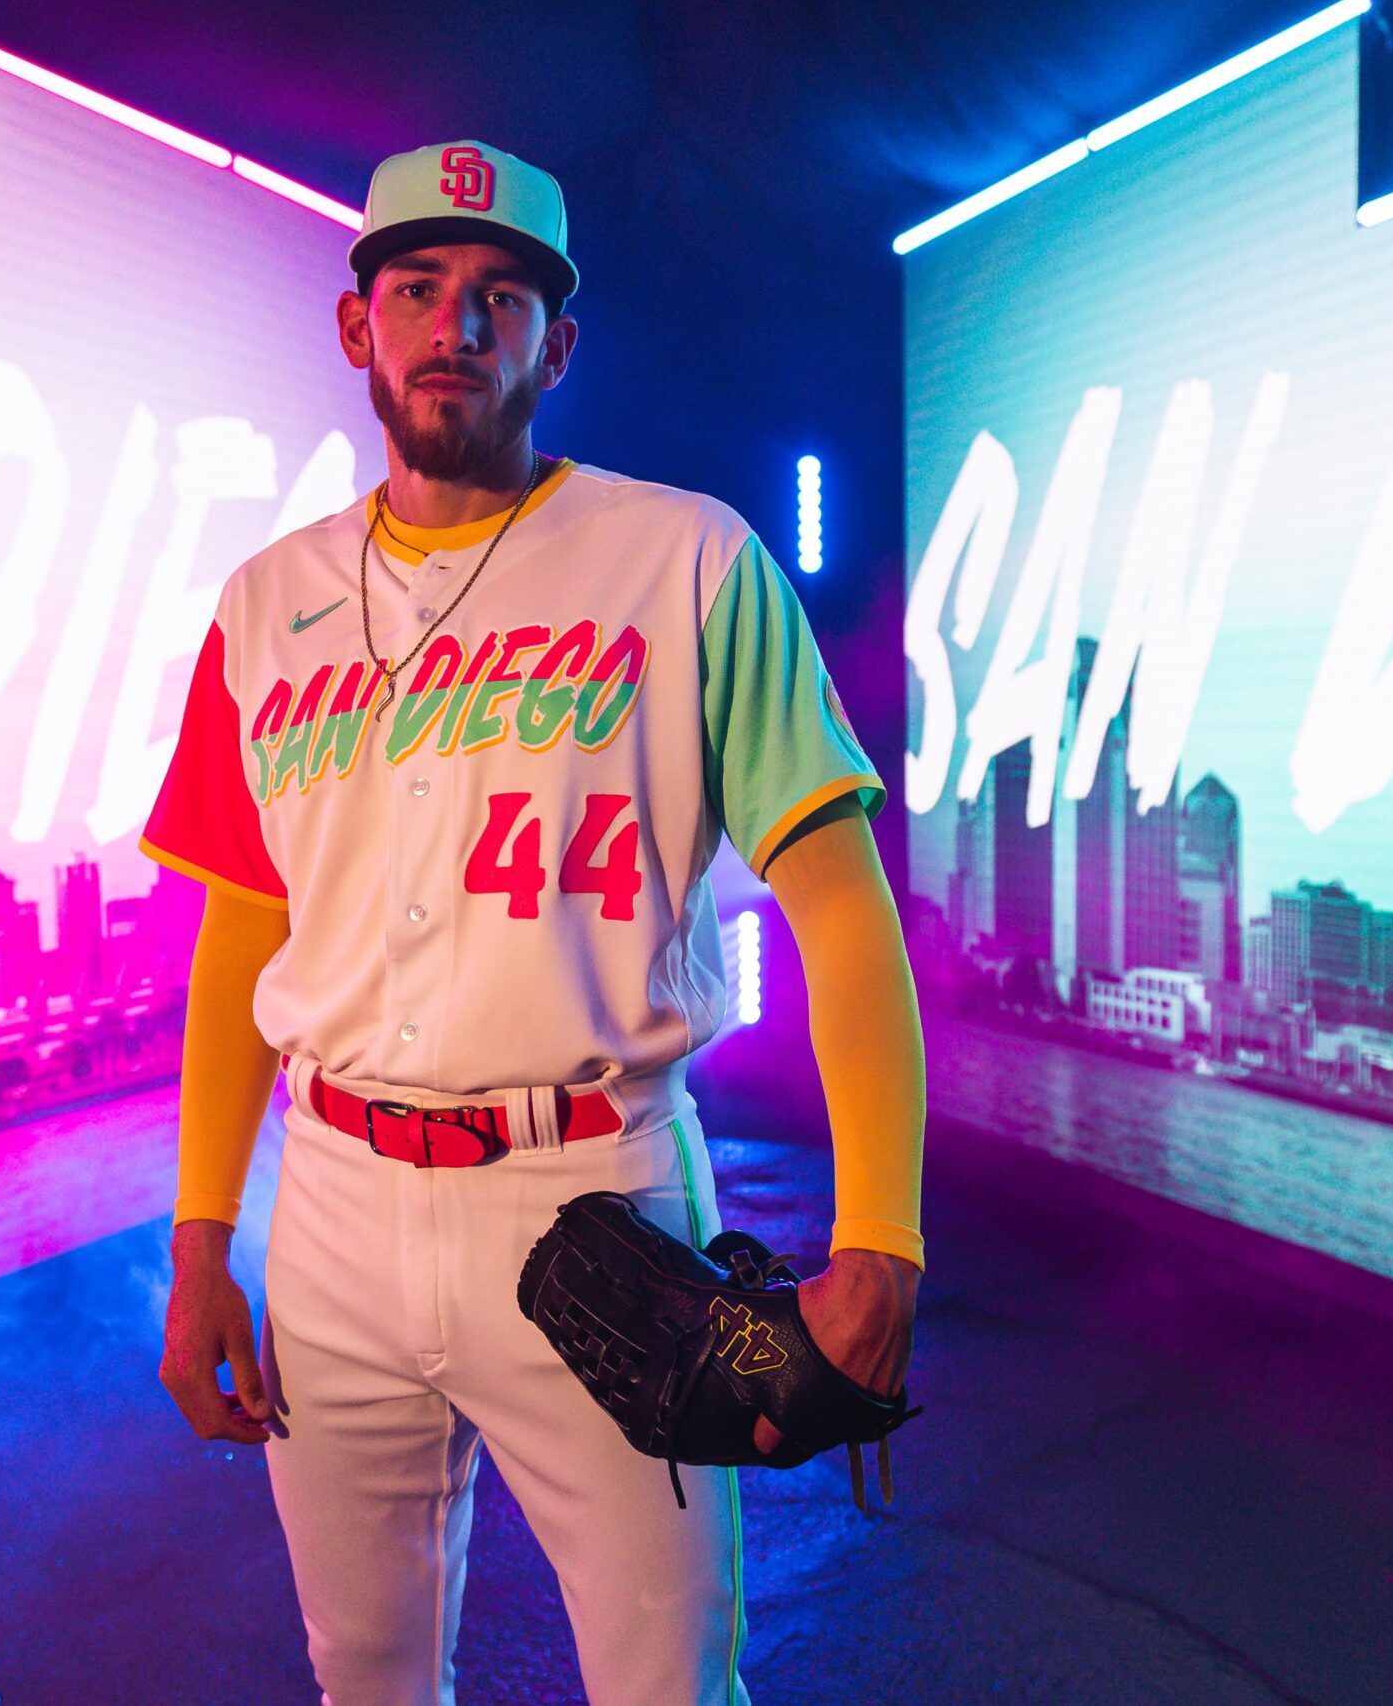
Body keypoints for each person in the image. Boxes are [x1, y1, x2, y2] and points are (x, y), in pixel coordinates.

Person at [142, 138, 925, 1706]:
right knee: (359, 1674)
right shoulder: (259, 602)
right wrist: (201, 1233)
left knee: (667, 1684)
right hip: (336, 1215)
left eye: (502, 298)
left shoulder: (686, 557)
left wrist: (882, 1235)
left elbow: (839, 900)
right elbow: (243, 931)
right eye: (419, 288)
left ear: (555, 348)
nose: (459, 325)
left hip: (600, 1192)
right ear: (357, 325)